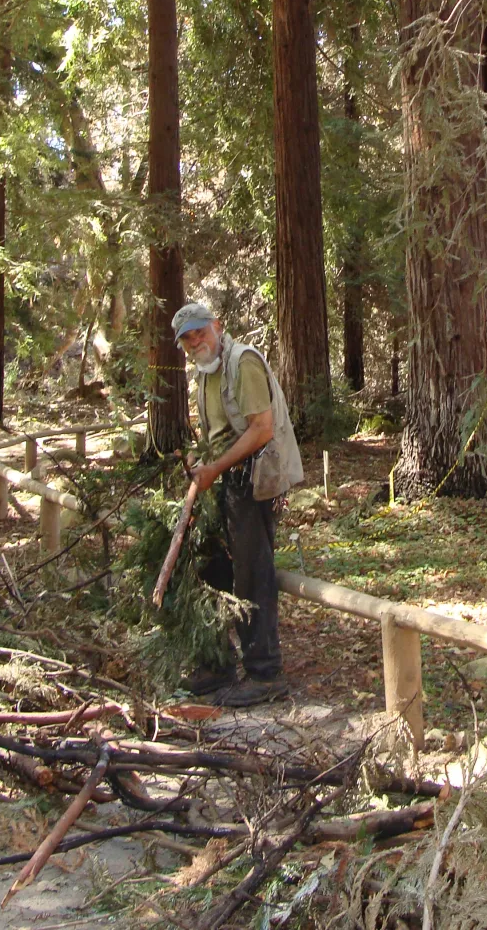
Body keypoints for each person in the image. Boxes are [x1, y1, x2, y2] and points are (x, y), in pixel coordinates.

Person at [171, 302, 304, 707]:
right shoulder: (205, 373)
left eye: (199, 332)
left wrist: (216, 468)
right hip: (224, 480)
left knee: (252, 575)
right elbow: (219, 433)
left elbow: (261, 430)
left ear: (217, 326)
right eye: (187, 338)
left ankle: (265, 674)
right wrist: (200, 460)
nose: (196, 342)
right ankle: (217, 664)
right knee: (210, 567)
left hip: (255, 482)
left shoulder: (241, 362)